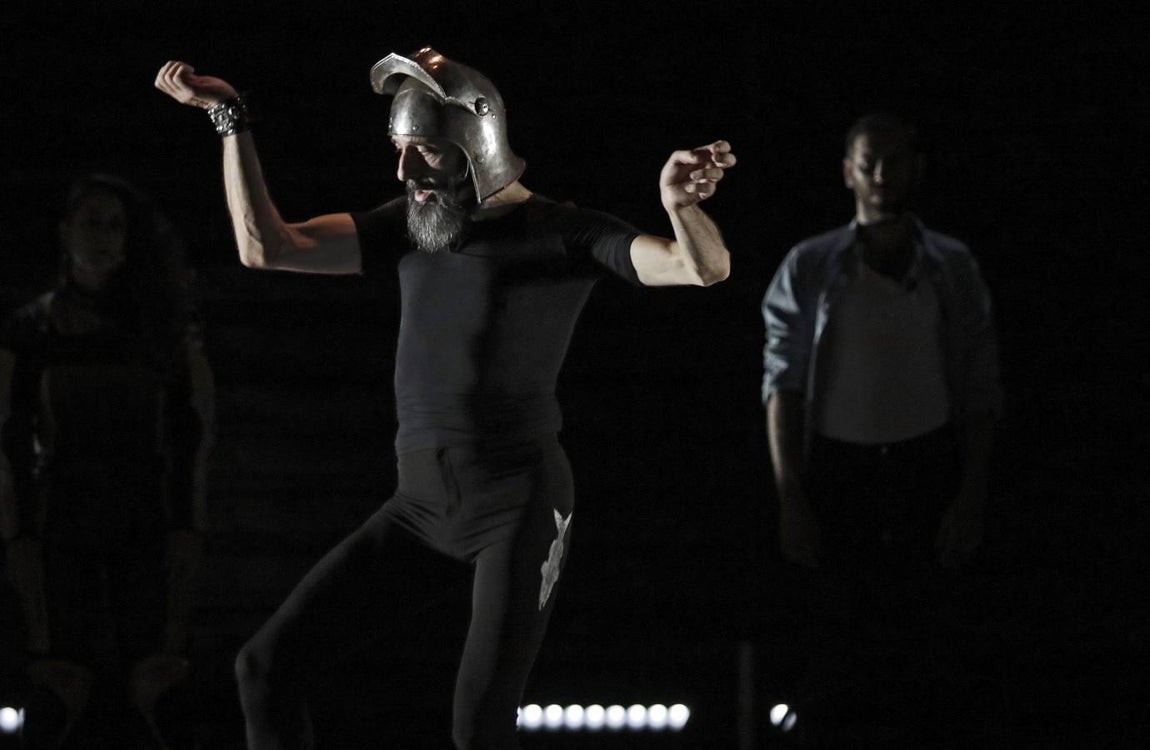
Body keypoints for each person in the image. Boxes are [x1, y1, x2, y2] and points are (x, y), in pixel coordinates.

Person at [154, 46, 734, 749]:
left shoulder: (561, 232)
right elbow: (266, 247)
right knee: (265, 666)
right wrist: (229, 118)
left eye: (424, 152)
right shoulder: (409, 225)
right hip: (420, 508)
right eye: (398, 150)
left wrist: (679, 206)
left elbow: (698, 269)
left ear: (476, 148)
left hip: (517, 504)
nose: (405, 172)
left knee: (479, 725)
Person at [760, 113, 1003, 741]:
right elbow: (782, 384)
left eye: (893, 160)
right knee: (837, 649)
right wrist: (792, 496)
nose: (881, 174)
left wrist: (972, 492)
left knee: (929, 649)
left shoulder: (953, 266)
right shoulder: (810, 265)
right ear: (848, 171)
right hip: (840, 473)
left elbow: (980, 388)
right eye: (868, 161)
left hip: (928, 465)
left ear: (914, 168)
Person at [0, 173, 215, 748]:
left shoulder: (161, 330)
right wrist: (16, 531)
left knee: (157, 674)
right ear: (65, 232)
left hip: (142, 515)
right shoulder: (30, 329)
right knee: (59, 676)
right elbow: (10, 436)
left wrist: (187, 527)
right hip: (60, 519)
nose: (102, 237)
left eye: (114, 226)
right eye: (91, 222)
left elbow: (192, 433)